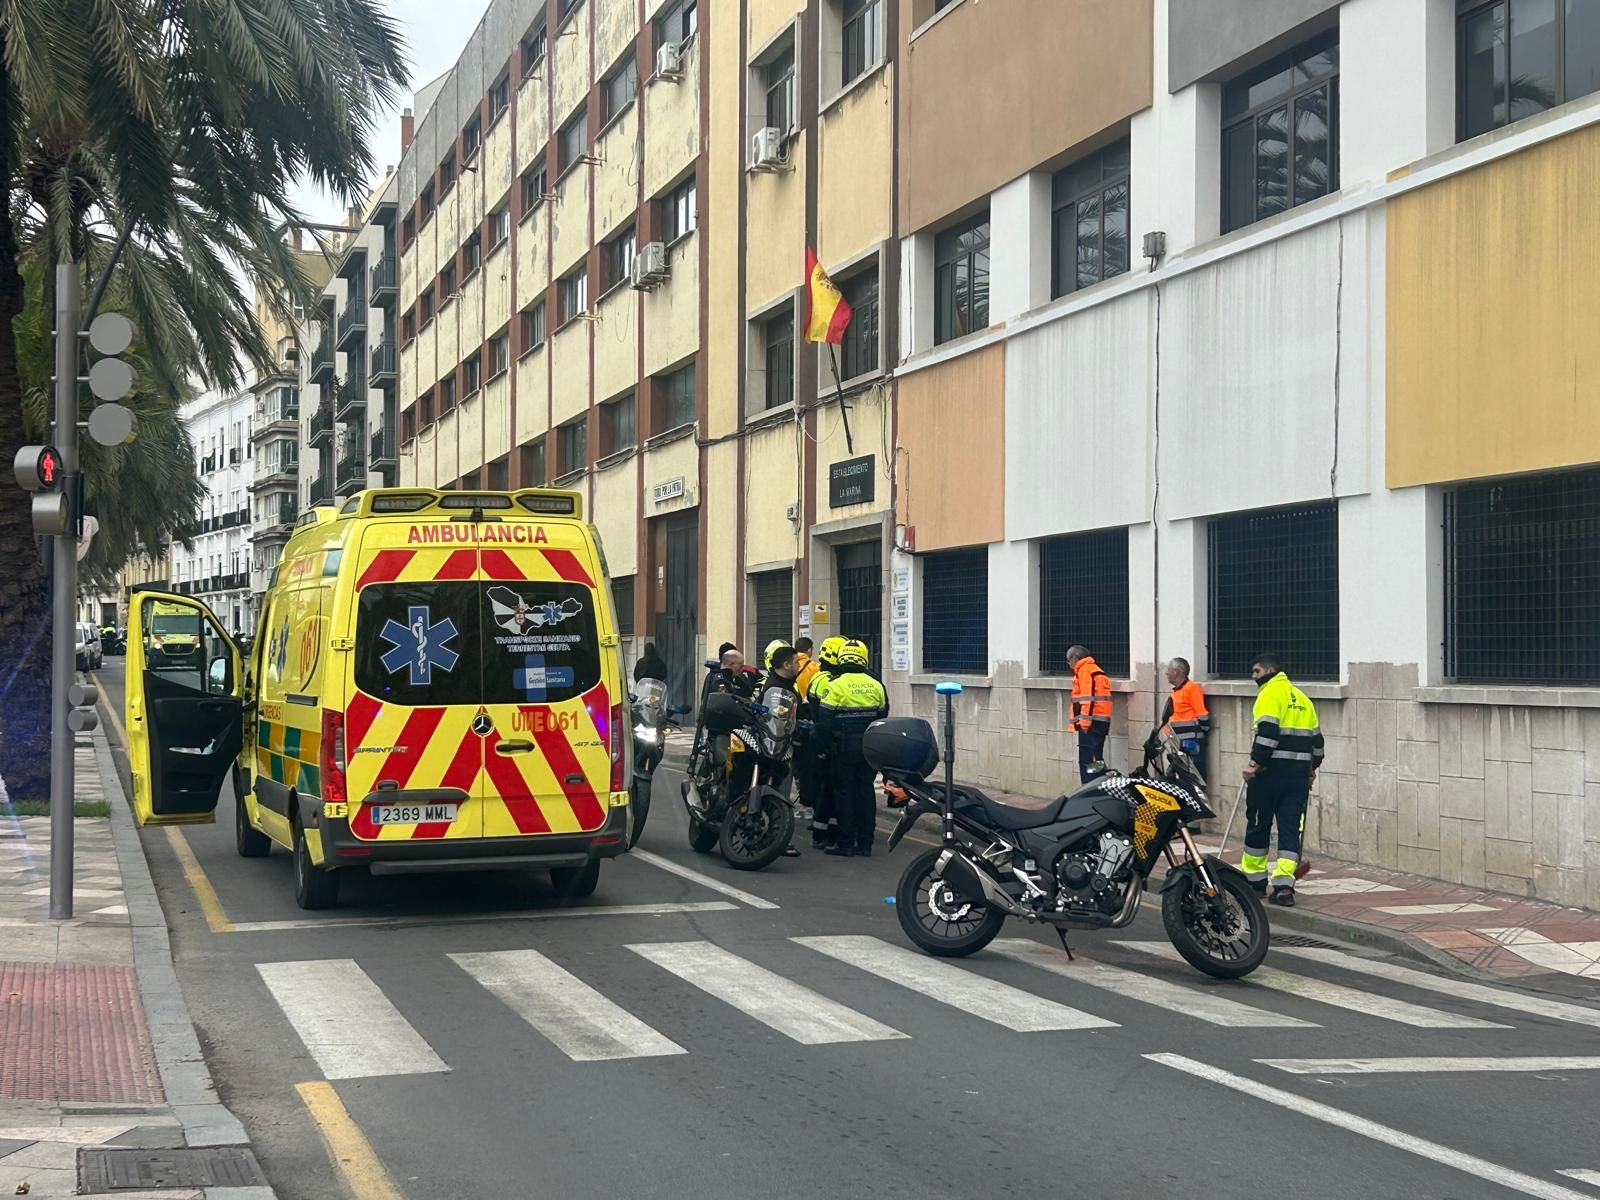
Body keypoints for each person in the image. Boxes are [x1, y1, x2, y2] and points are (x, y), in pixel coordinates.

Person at [1240, 653, 1324, 908]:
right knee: (1290, 830)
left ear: (1268, 671)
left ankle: (1254, 883)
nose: (1253, 677)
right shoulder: (1303, 699)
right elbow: (1318, 743)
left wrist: (1254, 765)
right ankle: (1284, 887)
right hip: (1297, 779)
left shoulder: (1268, 694)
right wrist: (1312, 768)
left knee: (1258, 825)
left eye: (1255, 672)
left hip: (1269, 776)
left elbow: (1267, 734)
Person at [815, 639, 888, 857]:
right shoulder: (876, 685)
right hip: (869, 748)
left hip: (843, 748)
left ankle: (846, 842)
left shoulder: (835, 685)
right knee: (866, 791)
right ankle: (865, 844)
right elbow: (882, 715)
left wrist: (822, 748)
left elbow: (824, 721)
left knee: (845, 793)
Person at [805, 636, 847, 847]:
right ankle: (830, 832)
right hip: (832, 743)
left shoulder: (818, 678)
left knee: (824, 788)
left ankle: (821, 831)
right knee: (833, 789)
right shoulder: (833, 681)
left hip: (819, 741)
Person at [1157, 657, 1210, 780]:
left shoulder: (1191, 689)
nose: (1166, 673)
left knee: (1194, 776)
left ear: (1176, 671)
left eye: (1169, 669)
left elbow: (1203, 716)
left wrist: (1200, 737)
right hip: (1179, 743)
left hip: (1191, 744)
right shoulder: (1177, 691)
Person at [1067, 644, 1113, 784]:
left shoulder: (1085, 671)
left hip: (1091, 725)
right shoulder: (1094, 670)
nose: (1068, 663)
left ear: (1076, 658)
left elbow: (1088, 699)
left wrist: (1084, 724)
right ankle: (1099, 789)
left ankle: (1090, 793)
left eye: (1068, 660)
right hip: (1098, 722)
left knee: (1089, 763)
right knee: (1096, 759)